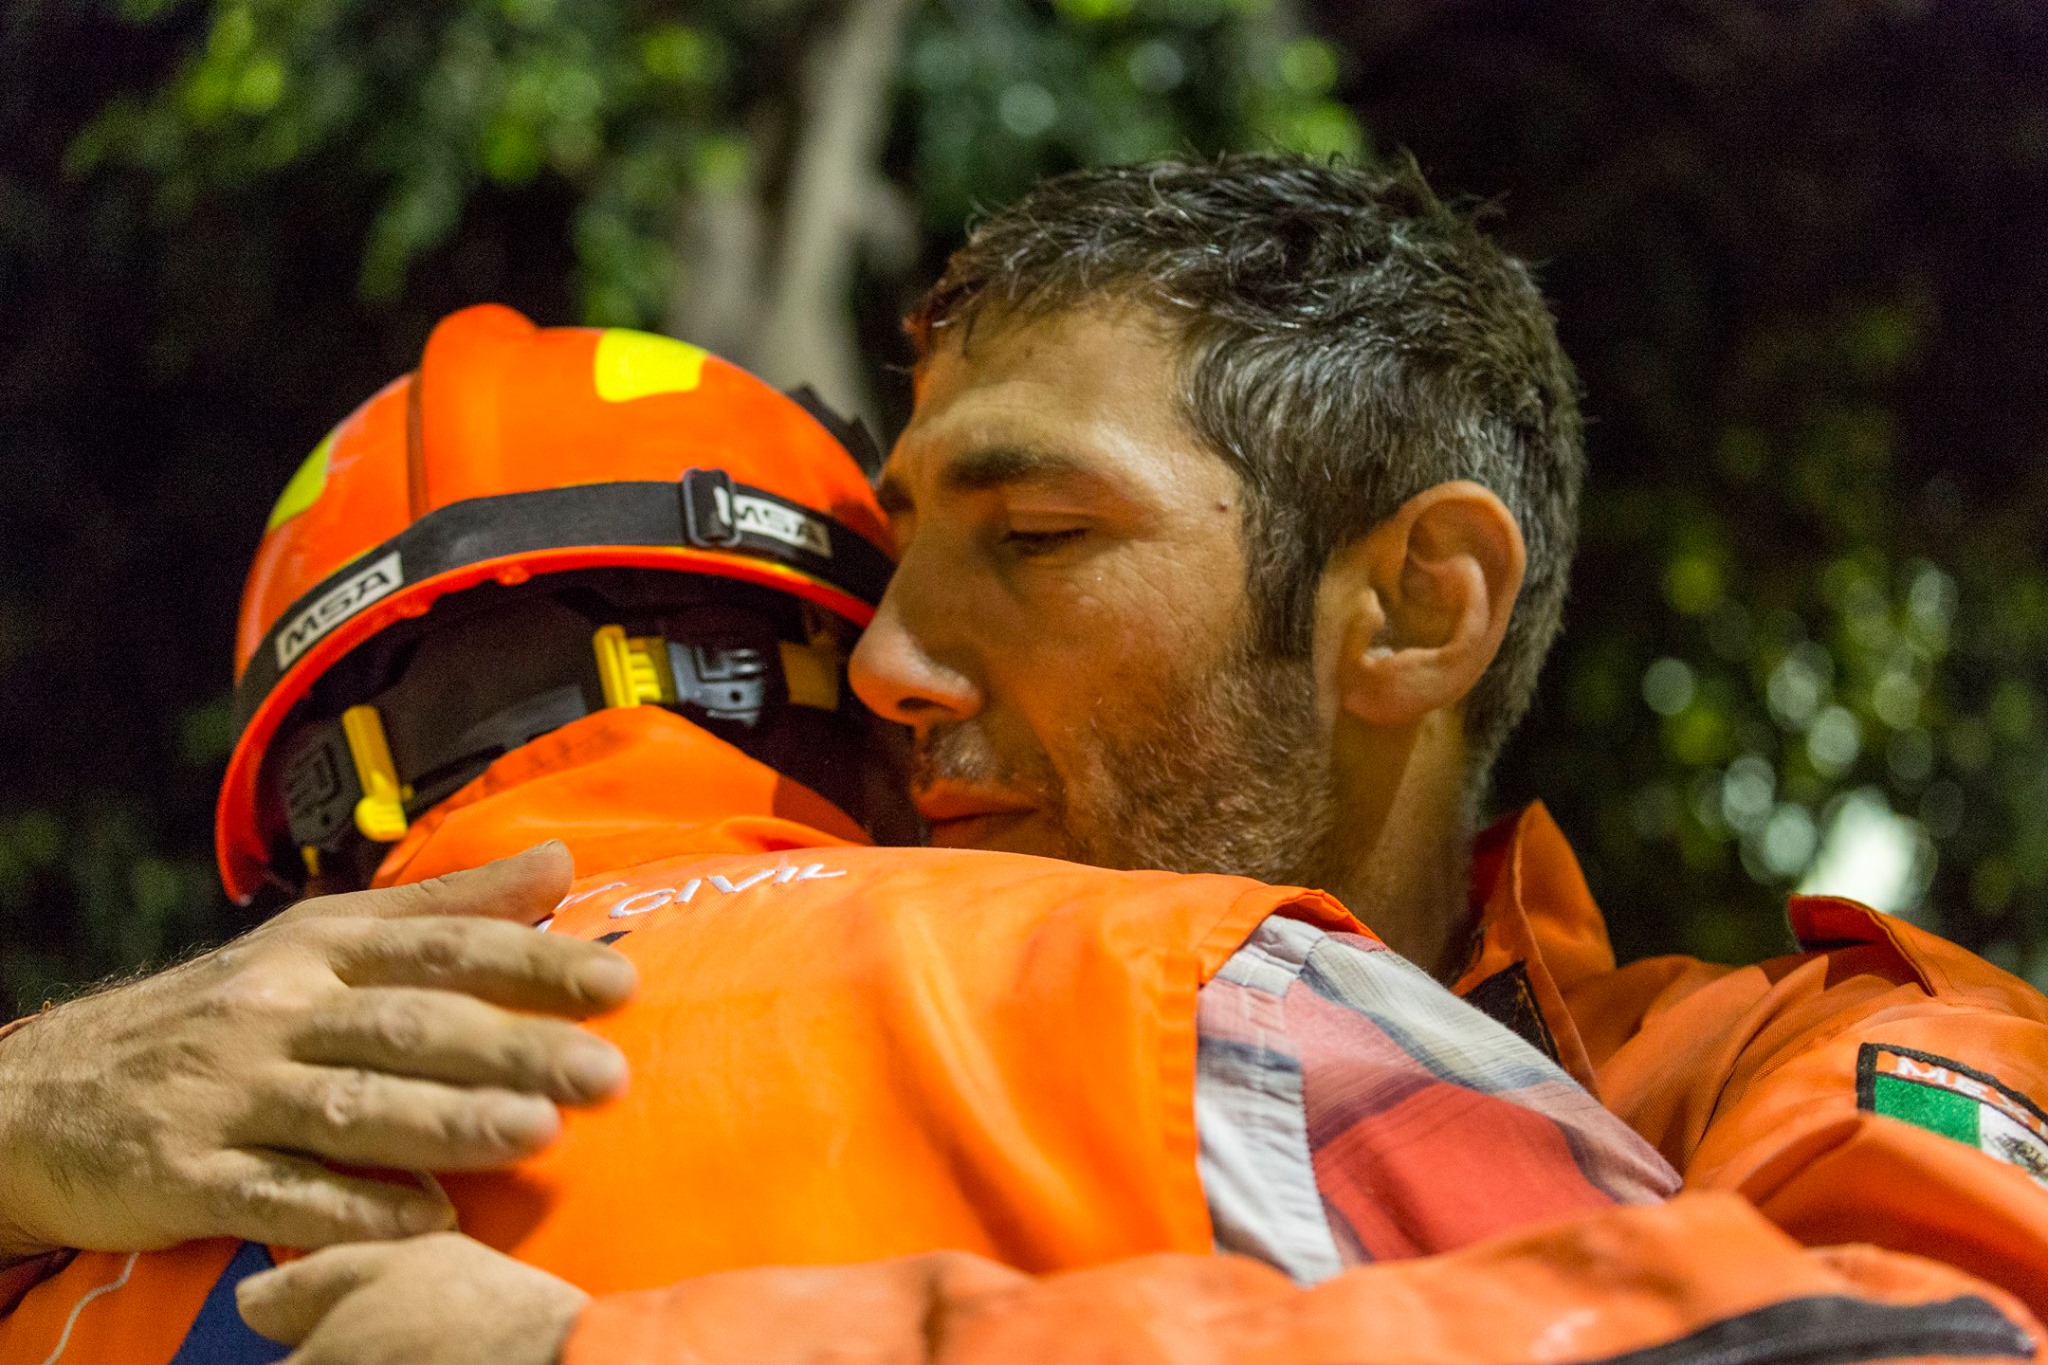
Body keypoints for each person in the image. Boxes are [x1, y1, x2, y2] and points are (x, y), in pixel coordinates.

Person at [241, 154, 2048, 1362]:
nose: (880, 665)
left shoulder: (1822, 1053)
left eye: (1033, 538)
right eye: (885, 564)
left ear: (1419, 608)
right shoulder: (896, 1005)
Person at [0, 303, 1677, 1364]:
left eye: (1033, 535)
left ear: (309, 789)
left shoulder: (66, 1214)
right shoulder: (1192, 995)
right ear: (824, 662)